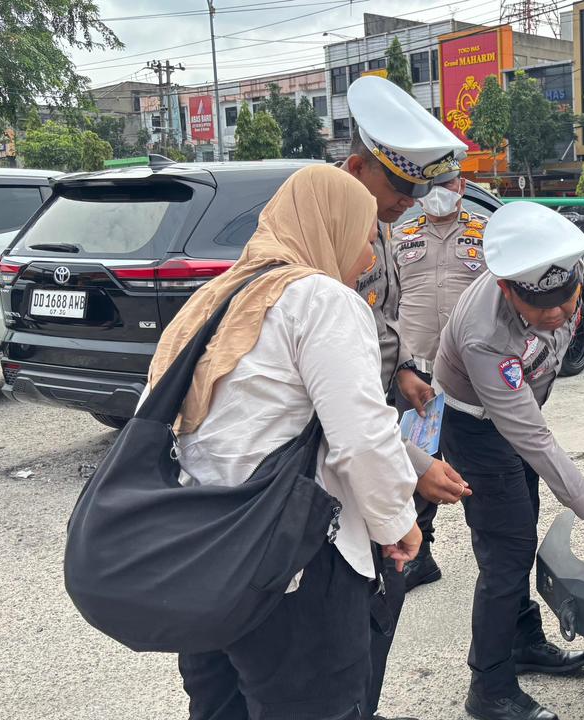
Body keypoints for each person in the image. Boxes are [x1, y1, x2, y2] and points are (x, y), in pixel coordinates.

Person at [161, 164, 423, 720]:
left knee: (217, 706)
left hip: (204, 553)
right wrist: (397, 524)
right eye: (363, 234)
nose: (371, 257)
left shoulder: (214, 297)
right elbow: (362, 437)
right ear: (330, 228)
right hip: (291, 561)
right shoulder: (321, 299)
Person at [434, 202, 584, 720]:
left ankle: (522, 639)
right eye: (542, 305)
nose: (558, 314)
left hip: (518, 416)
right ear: (508, 288)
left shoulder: (559, 287)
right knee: (505, 552)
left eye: (566, 299)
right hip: (475, 428)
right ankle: (488, 688)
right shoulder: (483, 332)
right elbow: (532, 438)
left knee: (520, 529)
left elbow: (544, 365)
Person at [342, 74, 473, 720]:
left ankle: (360, 703)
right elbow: (338, 375)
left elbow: (378, 327)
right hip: (353, 445)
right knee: (364, 594)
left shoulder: (379, 227)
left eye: (418, 187)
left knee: (380, 598)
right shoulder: (337, 241)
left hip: (381, 421)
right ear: (355, 167)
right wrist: (414, 471)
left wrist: (404, 374)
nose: (410, 201)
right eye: (400, 186)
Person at [391, 158, 489, 589]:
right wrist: (399, 362)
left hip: (470, 372)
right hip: (415, 371)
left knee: (478, 463)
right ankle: (420, 551)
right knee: (416, 462)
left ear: (462, 185)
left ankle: (493, 556)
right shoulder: (402, 234)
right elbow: (387, 303)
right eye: (431, 184)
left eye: (447, 182)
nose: (438, 191)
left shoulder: (487, 232)